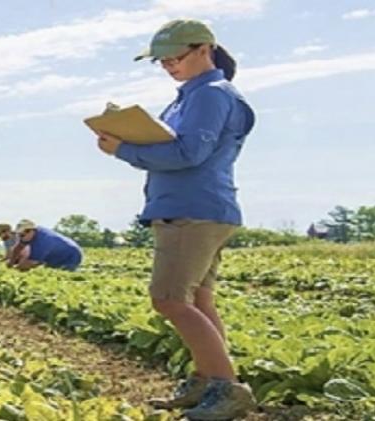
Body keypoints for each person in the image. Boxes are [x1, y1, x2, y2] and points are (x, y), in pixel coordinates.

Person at [94, 19, 256, 420]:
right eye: (161, 61)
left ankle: (228, 390)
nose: (168, 65)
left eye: (174, 57)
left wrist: (124, 149)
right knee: (198, 299)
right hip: (197, 206)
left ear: (205, 49)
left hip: (193, 209)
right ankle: (207, 382)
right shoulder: (190, 97)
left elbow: (188, 155)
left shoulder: (211, 95)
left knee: (167, 300)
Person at [9, 219, 82, 271]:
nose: (20, 237)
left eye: (22, 235)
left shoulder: (43, 242)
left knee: (62, 275)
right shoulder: (27, 236)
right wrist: (10, 264)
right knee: (51, 270)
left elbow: (31, 263)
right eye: (19, 235)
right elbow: (18, 248)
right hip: (54, 256)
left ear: (31, 231)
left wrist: (13, 271)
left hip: (71, 256)